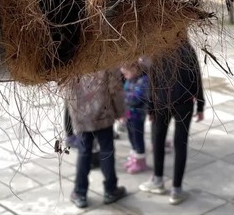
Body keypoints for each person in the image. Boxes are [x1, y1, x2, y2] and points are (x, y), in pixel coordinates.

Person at [139, 39, 205, 205]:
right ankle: (176, 190)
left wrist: (151, 107)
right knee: (180, 144)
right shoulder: (187, 48)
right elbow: (196, 76)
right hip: (184, 103)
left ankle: (158, 180)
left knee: (158, 140)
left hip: (162, 102)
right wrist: (201, 104)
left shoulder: (159, 47)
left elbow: (152, 79)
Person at [65, 68, 127, 209]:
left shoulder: (72, 54)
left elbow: (66, 87)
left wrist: (73, 113)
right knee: (107, 151)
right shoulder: (104, 55)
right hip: (103, 113)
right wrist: (119, 111)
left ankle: (80, 194)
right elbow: (115, 86)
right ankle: (110, 190)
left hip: (82, 114)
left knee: (84, 152)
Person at [120, 61, 150, 174]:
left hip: (137, 116)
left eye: (126, 73)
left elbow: (136, 98)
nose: (124, 76)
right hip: (128, 115)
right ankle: (134, 157)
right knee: (131, 136)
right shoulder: (130, 79)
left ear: (134, 70)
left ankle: (140, 161)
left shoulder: (143, 80)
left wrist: (121, 97)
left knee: (137, 137)